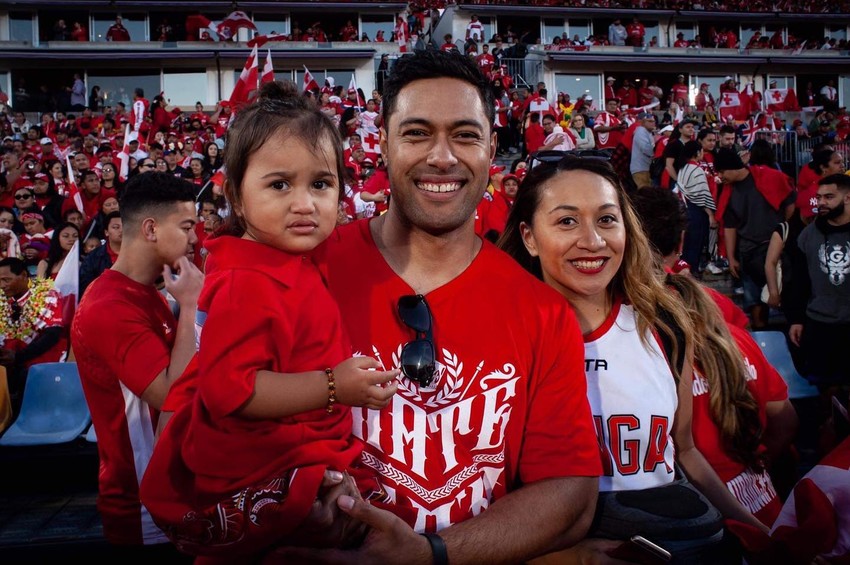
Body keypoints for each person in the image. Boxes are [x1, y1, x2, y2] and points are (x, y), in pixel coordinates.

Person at [292, 49, 601, 564]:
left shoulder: (541, 310)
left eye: (464, 134)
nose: (442, 156)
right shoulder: (305, 274)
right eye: (416, 133)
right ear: (383, 145)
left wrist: (431, 554)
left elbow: (569, 493)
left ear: (491, 149)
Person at [139, 81, 400, 559]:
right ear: (237, 197)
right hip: (265, 467)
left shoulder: (289, 261)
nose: (304, 203)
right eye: (280, 185)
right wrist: (332, 386)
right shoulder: (247, 281)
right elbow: (226, 390)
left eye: (320, 184)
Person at [498, 156, 771, 561]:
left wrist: (759, 532)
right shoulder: (501, 335)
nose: (592, 241)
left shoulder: (663, 324)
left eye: (607, 220)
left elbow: (685, 451)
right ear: (529, 236)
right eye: (567, 222)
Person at [71, 172, 203, 552]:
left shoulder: (147, 292)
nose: (195, 238)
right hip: (144, 509)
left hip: (174, 493)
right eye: (186, 226)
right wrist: (192, 305)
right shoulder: (108, 306)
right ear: (150, 229)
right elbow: (170, 396)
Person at [717, 149, 795, 329]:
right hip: (748, 252)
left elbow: (790, 204)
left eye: (722, 172)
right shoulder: (728, 191)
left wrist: (784, 232)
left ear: (732, 168)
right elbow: (729, 227)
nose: (720, 176)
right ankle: (762, 338)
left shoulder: (769, 177)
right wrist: (731, 258)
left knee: (789, 296)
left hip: (777, 249)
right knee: (754, 302)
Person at [787, 174, 850, 385]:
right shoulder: (808, 234)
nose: (821, 202)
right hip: (820, 323)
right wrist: (796, 318)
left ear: (848, 198)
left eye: (829, 197)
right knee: (822, 385)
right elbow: (799, 280)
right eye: (819, 197)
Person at [0, 256, 68, 410]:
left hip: (44, 357)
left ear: (23, 275)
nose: (2, 285)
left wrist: (17, 358)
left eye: (6, 280)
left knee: (23, 376)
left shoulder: (47, 293)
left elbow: (52, 335)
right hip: (13, 358)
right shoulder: (3, 299)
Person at [675, 140, 717, 275]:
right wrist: (710, 214)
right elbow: (702, 195)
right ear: (698, 152)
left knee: (687, 247)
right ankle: (692, 277)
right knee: (695, 246)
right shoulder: (697, 170)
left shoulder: (682, 168)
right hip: (697, 212)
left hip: (684, 209)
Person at [79, 210, 121, 297]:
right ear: (106, 232)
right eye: (116, 227)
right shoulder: (93, 258)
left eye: (125, 226)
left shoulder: (138, 253)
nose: (121, 230)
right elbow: (86, 286)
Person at [630, 111, 656, 188]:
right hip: (641, 168)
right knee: (645, 194)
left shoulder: (648, 132)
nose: (653, 123)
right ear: (643, 122)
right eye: (650, 121)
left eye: (654, 121)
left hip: (645, 168)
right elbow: (646, 148)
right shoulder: (641, 131)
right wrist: (656, 153)